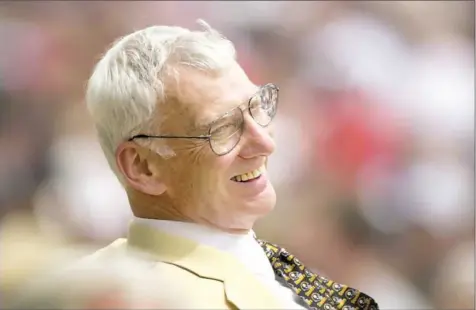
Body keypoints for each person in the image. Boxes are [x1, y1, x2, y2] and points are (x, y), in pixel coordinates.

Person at [84, 20, 379, 310]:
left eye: (257, 107)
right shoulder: (139, 299)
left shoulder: (260, 262)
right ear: (142, 167)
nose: (265, 143)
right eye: (223, 128)